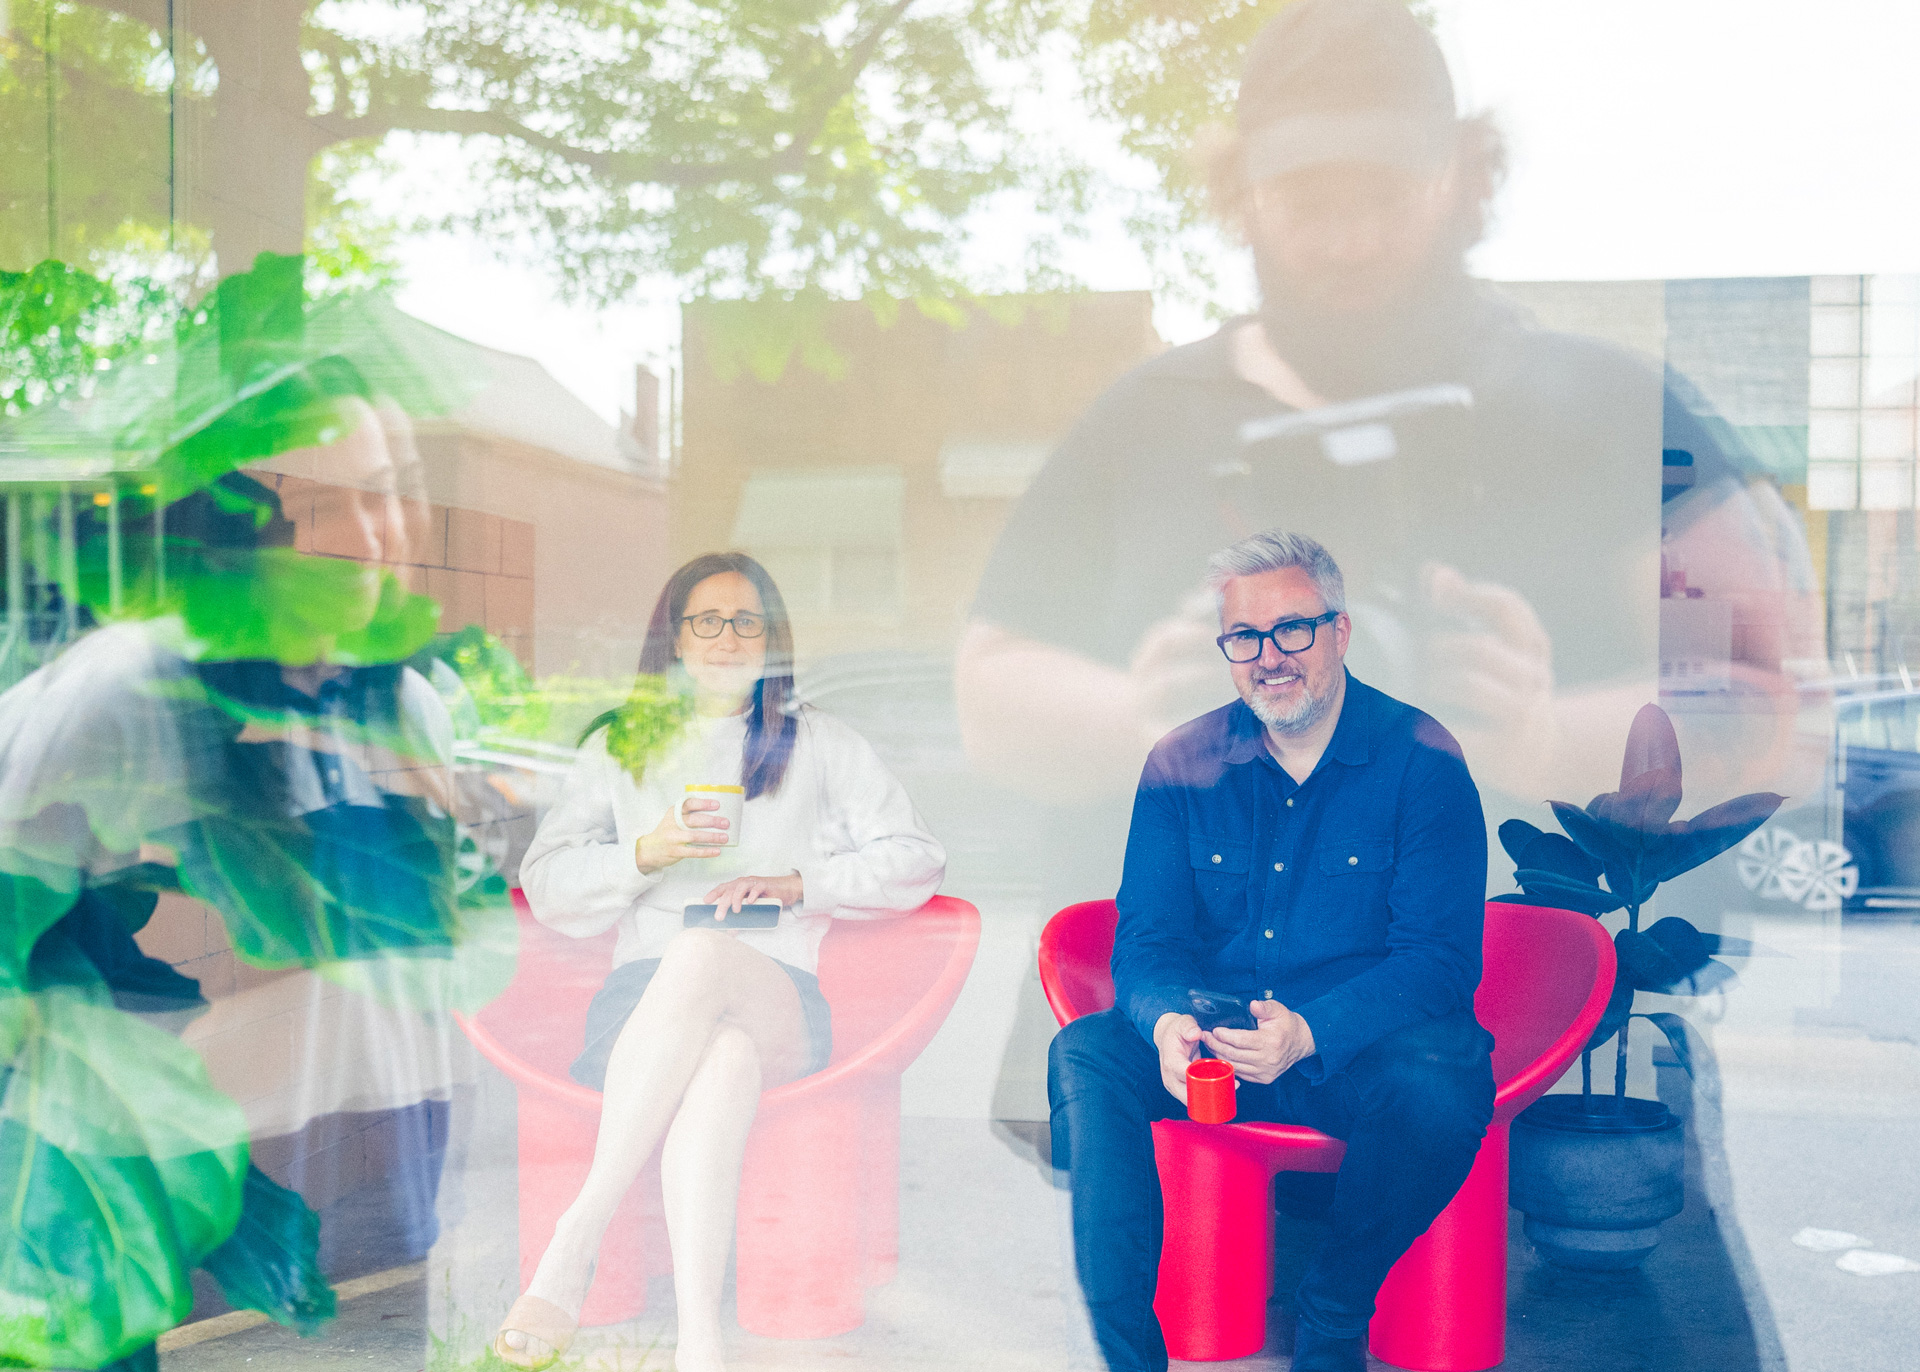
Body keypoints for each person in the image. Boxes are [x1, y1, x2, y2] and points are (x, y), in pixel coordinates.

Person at [956, 0, 1821, 910]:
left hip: (1534, 1022)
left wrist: (1536, 737)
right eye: (1306, 198)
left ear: (1458, 176)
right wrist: (1144, 720)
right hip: (1175, 1023)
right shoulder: (1137, 424)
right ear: (1241, 190)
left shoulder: (1617, 414)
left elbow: (1764, 705)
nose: (1349, 241)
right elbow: (989, 697)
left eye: (1384, 193)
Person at [1048, 529, 1493, 1372]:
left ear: (1341, 633)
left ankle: (1335, 1304)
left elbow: (1439, 960)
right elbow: (1146, 937)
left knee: (1445, 1073)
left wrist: (1309, 1030)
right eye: (1244, 638)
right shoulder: (1182, 761)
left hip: (1349, 1052)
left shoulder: (1421, 760)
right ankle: (1124, 1355)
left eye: (1293, 630)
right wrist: (1165, 1022)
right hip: (1213, 1047)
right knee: (1087, 1054)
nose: (1269, 657)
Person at [497, 551, 946, 1372]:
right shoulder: (618, 746)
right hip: (640, 1009)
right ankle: (702, 1341)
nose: (728, 638)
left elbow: (918, 860)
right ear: (674, 639)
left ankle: (576, 1237)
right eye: (707, 620)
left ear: (773, 640)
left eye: (747, 621)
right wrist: (645, 854)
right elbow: (547, 886)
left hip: (780, 992)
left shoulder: (818, 742)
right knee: (723, 1057)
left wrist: (802, 882)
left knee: (704, 950)